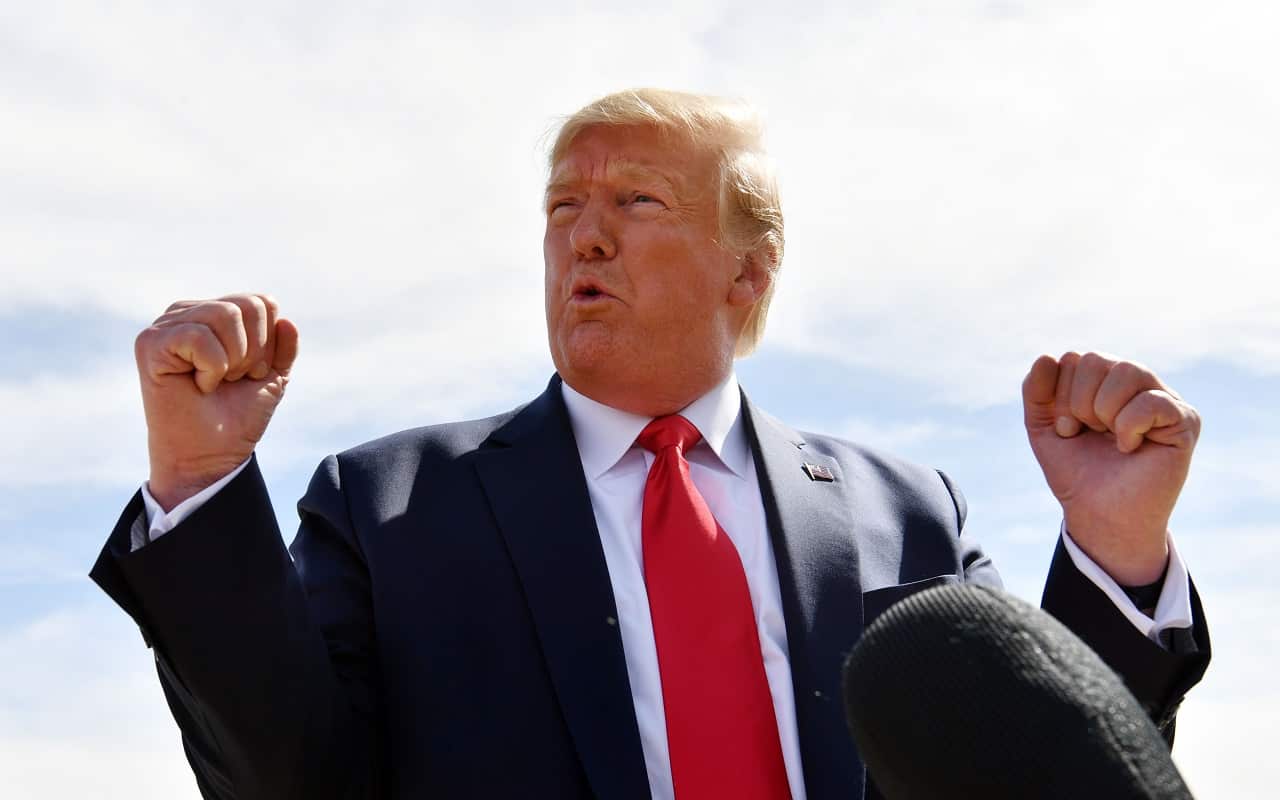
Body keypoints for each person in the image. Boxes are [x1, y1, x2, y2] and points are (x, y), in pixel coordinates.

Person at [92, 89, 1209, 800]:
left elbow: (1042, 769)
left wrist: (1113, 544)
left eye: (636, 198)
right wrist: (200, 478)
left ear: (746, 271)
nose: (583, 229)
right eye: (561, 203)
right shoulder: (389, 503)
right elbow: (287, 780)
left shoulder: (907, 509)